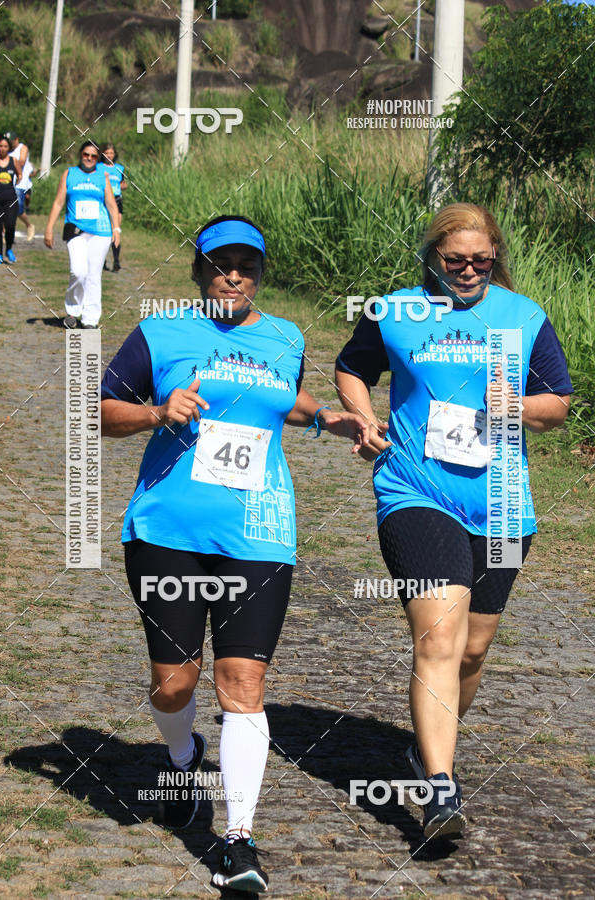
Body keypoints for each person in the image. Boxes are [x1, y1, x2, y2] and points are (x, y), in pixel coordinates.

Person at [101, 215, 369, 893]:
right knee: (175, 683)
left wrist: (330, 421)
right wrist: (159, 413)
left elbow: (281, 399)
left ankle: (238, 840)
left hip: (259, 534)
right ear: (197, 270)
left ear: (260, 272)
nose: (233, 276)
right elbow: (102, 410)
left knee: (243, 683)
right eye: (220, 264)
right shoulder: (161, 334)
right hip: (168, 533)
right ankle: (183, 753)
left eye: (246, 265)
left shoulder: (286, 337)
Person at [335, 203, 573, 841]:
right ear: (431, 257)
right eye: (455, 260)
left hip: (500, 503)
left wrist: (519, 405)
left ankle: (423, 748)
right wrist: (363, 417)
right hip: (417, 491)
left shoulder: (523, 318)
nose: (469, 271)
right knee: (439, 638)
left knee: (472, 648)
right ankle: (440, 792)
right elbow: (353, 367)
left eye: (481, 260)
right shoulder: (395, 311)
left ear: (495, 256)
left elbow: (560, 407)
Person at [44, 141, 120, 328]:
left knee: (93, 275)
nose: (89, 158)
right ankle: (72, 310)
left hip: (100, 232)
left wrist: (116, 229)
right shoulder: (69, 174)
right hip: (75, 230)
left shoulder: (103, 177)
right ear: (80, 154)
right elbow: (58, 203)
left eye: (93, 156)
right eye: (86, 154)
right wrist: (49, 228)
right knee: (78, 271)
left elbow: (111, 204)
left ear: (98, 158)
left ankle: (90, 319)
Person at [97, 142, 126, 271]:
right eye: (107, 153)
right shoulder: (98, 167)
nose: (109, 155)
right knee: (105, 232)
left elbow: (123, 183)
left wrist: (121, 187)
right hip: (103, 202)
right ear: (103, 154)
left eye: (111, 153)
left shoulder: (120, 168)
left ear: (115, 155)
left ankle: (116, 261)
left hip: (117, 201)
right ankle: (102, 260)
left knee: (116, 230)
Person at [0, 135, 22, 264]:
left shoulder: (14, 160)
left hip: (10, 198)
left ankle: (9, 249)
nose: (3, 149)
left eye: (5, 146)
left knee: (10, 225)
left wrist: (15, 185)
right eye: (1, 146)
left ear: (9, 148)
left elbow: (20, 174)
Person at [6, 131, 36, 242]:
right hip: (6, 182)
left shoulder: (22, 148)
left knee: (18, 208)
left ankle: (29, 225)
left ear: (16, 140)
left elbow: (22, 162)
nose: (9, 145)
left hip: (20, 183)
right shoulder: (5, 150)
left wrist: (6, 163)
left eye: (10, 142)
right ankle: (6, 232)